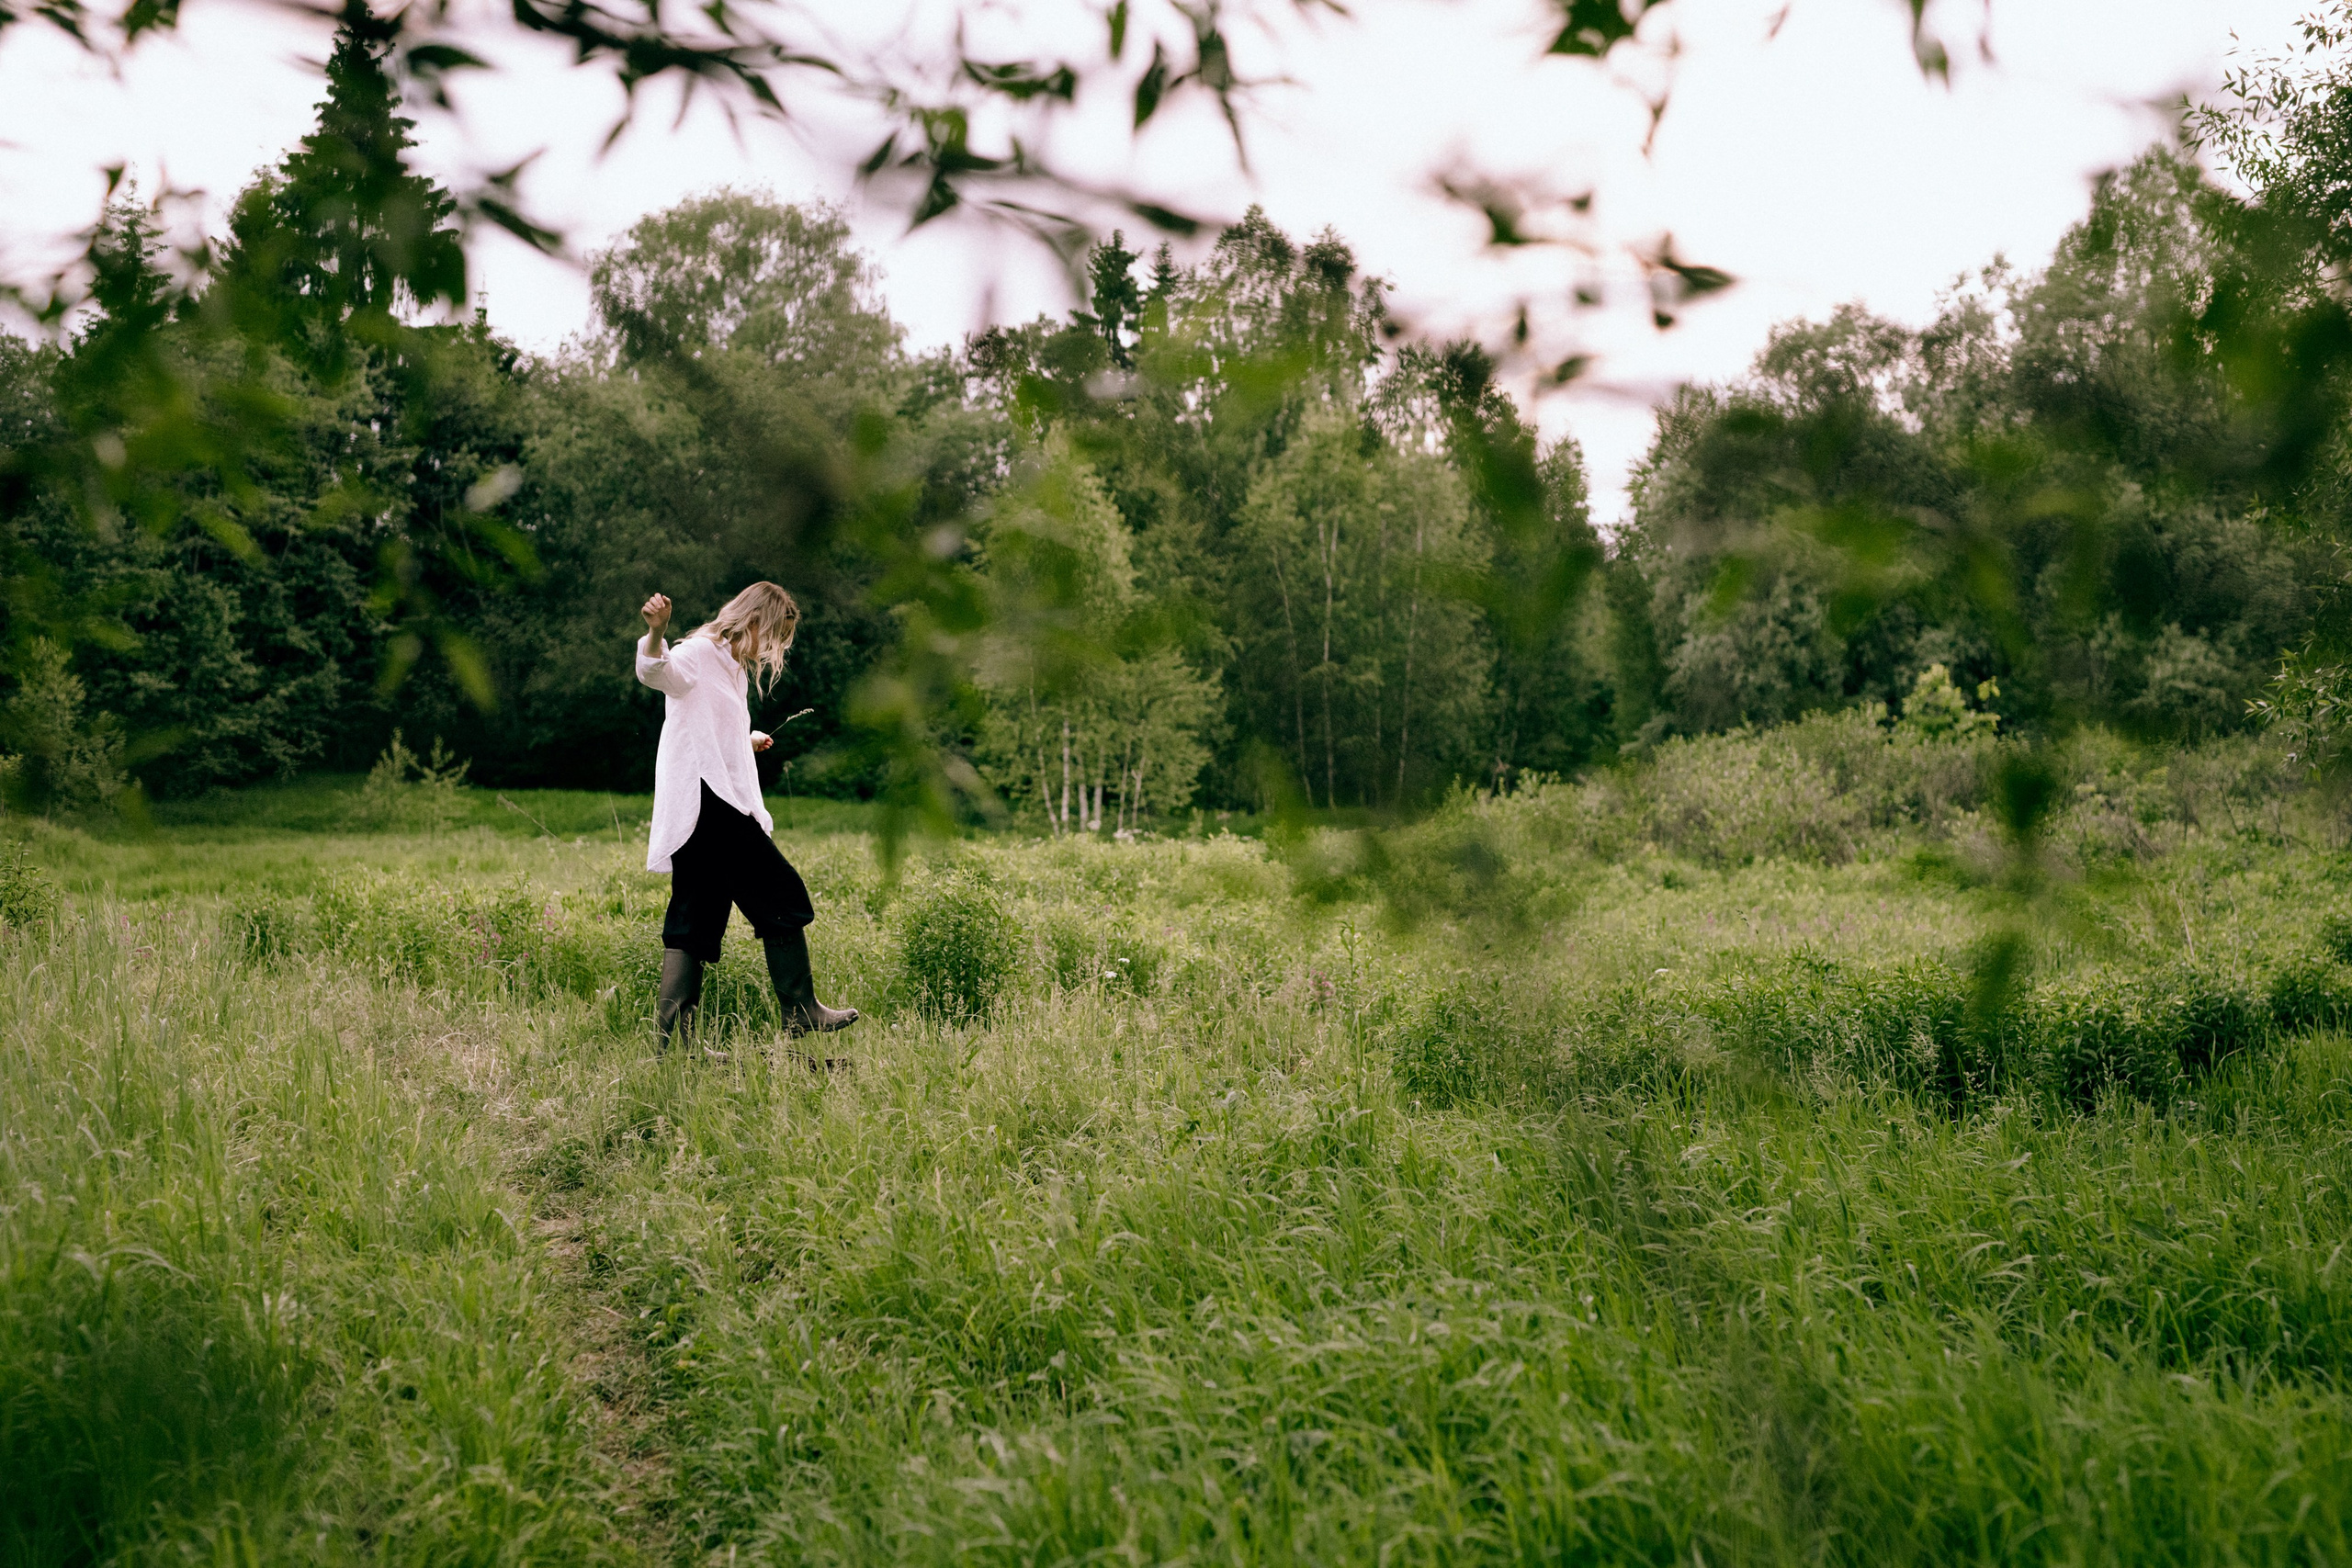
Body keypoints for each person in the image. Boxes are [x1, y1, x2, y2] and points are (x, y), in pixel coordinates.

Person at [635, 582, 857, 1053]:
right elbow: (655, 672)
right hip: (707, 801)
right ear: (752, 621)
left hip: (710, 803)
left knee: (694, 915)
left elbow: (706, 724)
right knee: (781, 891)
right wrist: (656, 632)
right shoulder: (699, 652)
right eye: (773, 637)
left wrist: (746, 738)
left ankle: (673, 1047)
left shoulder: (732, 667)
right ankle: (800, 1011)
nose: (773, 649)